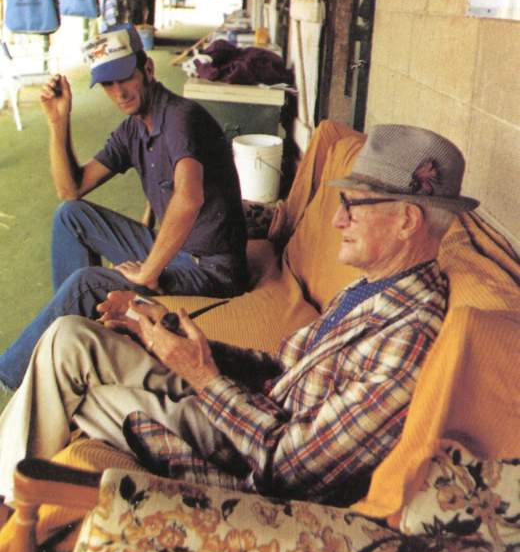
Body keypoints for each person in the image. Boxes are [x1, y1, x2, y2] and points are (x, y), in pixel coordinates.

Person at [0, 125, 479, 507]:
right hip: (242, 405)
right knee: (70, 337)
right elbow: (279, 367)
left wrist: (202, 375)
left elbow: (290, 467)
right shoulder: (371, 286)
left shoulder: (411, 336)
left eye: (352, 207)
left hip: (238, 455)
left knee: (70, 395)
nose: (337, 221)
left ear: (407, 221)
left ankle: (7, 506)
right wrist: (166, 335)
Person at [0, 24, 247, 391]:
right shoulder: (134, 128)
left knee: (86, 284)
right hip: (175, 249)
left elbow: (189, 197)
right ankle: (80, 337)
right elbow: (72, 190)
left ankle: (11, 374)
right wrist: (58, 122)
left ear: (147, 70)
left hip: (211, 268)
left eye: (124, 79)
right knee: (70, 217)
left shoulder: (181, 118)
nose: (118, 93)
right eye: (108, 84)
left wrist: (148, 271)